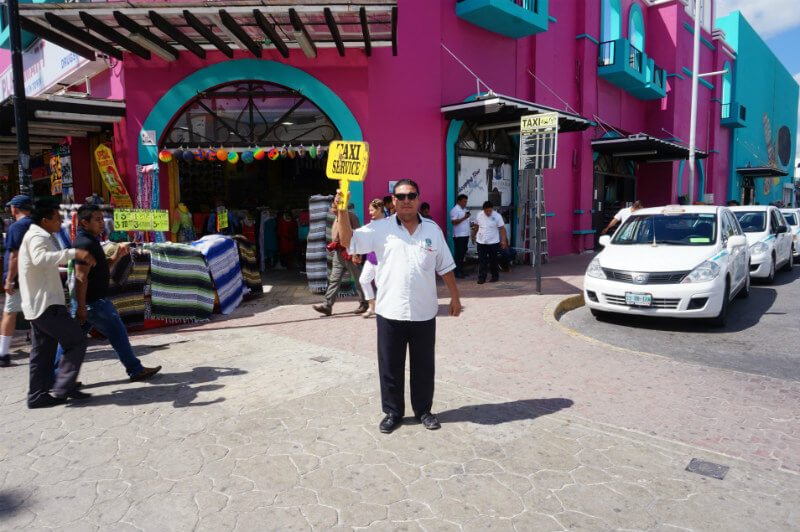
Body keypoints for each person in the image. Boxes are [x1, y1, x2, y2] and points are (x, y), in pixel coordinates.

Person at [337, 179, 462, 434]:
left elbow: (445, 266)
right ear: (392, 201)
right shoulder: (379, 228)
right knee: (390, 366)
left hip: (424, 311)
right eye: (401, 196)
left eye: (411, 195)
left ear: (417, 199)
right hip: (389, 312)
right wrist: (341, 211)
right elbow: (348, 241)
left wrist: (455, 297)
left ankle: (424, 410)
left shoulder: (432, 230)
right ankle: (393, 413)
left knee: (424, 366)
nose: (406, 200)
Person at [54, 205, 162, 382]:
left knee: (70, 340)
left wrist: (117, 256)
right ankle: (135, 369)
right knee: (117, 332)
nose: (102, 223)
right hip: (94, 302)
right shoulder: (85, 244)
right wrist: (81, 307)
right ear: (84, 222)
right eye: (96, 219)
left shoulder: (90, 240)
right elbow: (81, 277)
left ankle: (55, 376)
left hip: (89, 302)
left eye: (101, 219)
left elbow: (102, 268)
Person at [19, 200, 96, 408]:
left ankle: (38, 395)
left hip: (40, 304)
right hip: (46, 305)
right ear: (45, 220)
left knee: (42, 353)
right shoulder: (37, 236)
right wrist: (74, 253)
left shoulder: (40, 235)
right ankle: (63, 387)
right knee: (77, 340)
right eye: (57, 218)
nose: (61, 221)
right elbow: (40, 259)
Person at [312, 202, 368, 316]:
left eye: (334, 207)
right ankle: (327, 305)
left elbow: (358, 235)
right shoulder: (336, 218)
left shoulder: (351, 216)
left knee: (359, 281)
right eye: (332, 207)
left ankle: (365, 303)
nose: (332, 209)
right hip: (339, 254)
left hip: (351, 253)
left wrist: (356, 253)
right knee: (334, 280)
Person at [0, 195, 33, 367]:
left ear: (16, 208)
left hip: (19, 277)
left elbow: (14, 255)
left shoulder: (17, 227)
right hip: (32, 275)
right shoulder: (36, 224)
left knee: (9, 312)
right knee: (37, 312)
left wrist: (10, 279)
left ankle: (3, 353)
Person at [358, 199, 385, 318]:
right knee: (363, 280)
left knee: (381, 285)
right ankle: (371, 306)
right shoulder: (370, 225)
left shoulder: (387, 224)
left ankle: (381, 309)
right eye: (369, 210)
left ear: (379, 209)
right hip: (370, 258)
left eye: (372, 210)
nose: (370, 212)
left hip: (382, 260)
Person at [471, 200, 508, 284]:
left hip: (493, 242)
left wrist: (503, 240)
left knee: (493, 260)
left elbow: (502, 229)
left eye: (490, 210)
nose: (488, 212)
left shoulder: (497, 216)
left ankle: (495, 276)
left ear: (492, 209)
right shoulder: (479, 215)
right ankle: (481, 278)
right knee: (482, 261)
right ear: (483, 210)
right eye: (486, 211)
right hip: (481, 242)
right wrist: (473, 235)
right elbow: (476, 226)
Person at [449, 194, 471, 279]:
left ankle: (461, 271)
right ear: (459, 201)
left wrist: (470, 223)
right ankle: (457, 272)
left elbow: (465, 222)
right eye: (464, 201)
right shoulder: (455, 210)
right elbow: (454, 222)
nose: (465, 203)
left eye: (466, 201)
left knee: (462, 254)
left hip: (465, 234)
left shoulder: (464, 209)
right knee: (459, 254)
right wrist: (464, 218)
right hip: (459, 235)